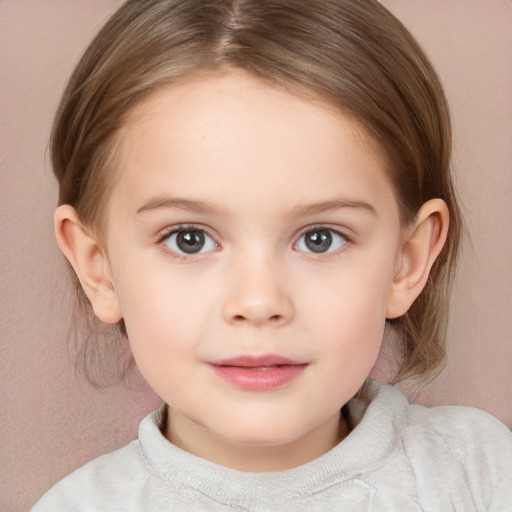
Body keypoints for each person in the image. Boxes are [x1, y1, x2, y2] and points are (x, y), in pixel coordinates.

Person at [32, 0, 512, 510]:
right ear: (98, 268)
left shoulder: (481, 473)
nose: (259, 303)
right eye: (189, 239)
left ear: (407, 260)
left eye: (320, 238)